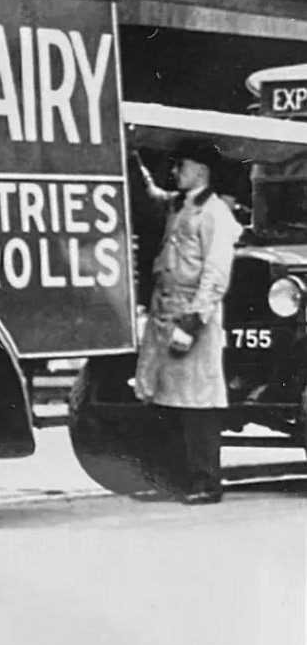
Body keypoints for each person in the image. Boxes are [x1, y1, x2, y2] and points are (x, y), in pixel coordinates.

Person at [129, 138, 242, 504]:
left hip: (194, 316)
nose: (175, 171)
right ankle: (170, 478)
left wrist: (192, 324)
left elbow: (215, 274)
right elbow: (150, 195)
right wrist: (133, 160)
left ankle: (206, 481)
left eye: (182, 165)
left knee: (199, 405)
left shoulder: (215, 214)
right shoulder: (179, 206)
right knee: (164, 399)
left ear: (202, 170)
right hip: (165, 312)